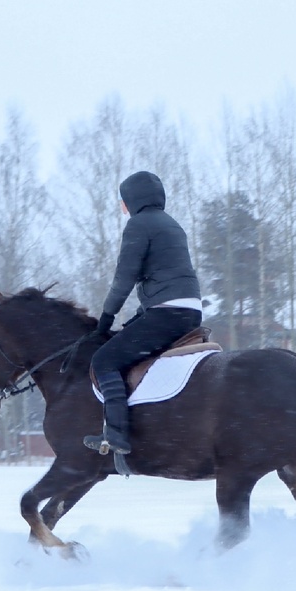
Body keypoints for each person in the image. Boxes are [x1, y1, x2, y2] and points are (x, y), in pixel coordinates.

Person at [89, 170, 202, 456]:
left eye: (122, 200)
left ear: (131, 200)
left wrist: (106, 319)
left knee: (104, 360)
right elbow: (165, 280)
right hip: (189, 311)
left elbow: (124, 278)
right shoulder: (172, 225)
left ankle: (115, 433)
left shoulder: (138, 225)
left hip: (167, 313)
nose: (121, 206)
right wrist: (137, 317)